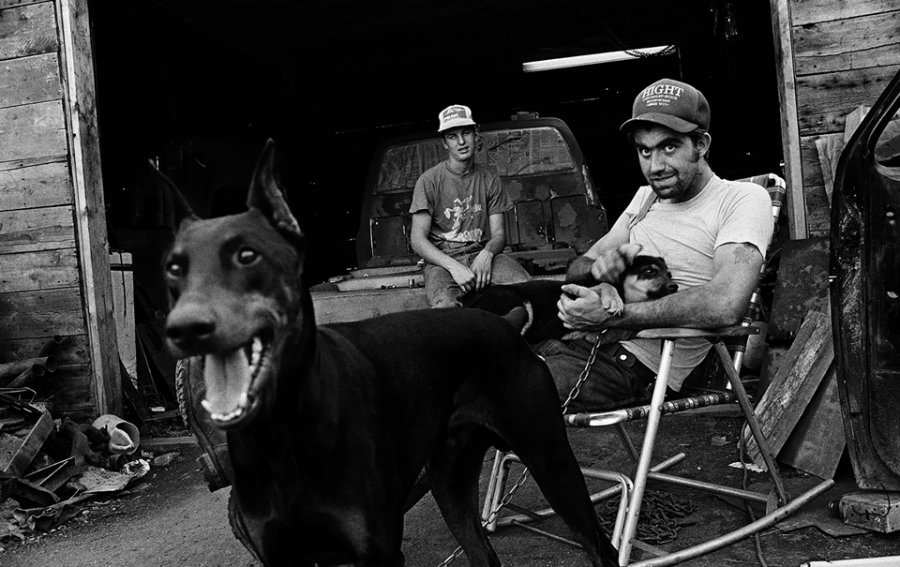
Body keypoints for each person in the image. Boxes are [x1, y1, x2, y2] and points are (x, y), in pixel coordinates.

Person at [537, 78, 773, 412]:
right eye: (644, 151)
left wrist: (611, 317)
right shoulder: (645, 199)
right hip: (573, 346)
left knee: (494, 391)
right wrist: (595, 274)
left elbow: (726, 303)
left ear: (701, 144)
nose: (655, 166)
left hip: (633, 366)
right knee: (464, 368)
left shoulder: (741, 199)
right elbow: (580, 268)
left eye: (669, 147)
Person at [409, 104, 530, 308]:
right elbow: (418, 240)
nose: (462, 142)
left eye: (466, 133)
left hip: (480, 252)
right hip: (442, 260)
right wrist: (453, 267)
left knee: (527, 288)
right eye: (452, 136)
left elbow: (499, 234)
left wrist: (487, 254)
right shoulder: (429, 181)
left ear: (476, 135)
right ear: (445, 143)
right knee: (445, 305)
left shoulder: (489, 178)